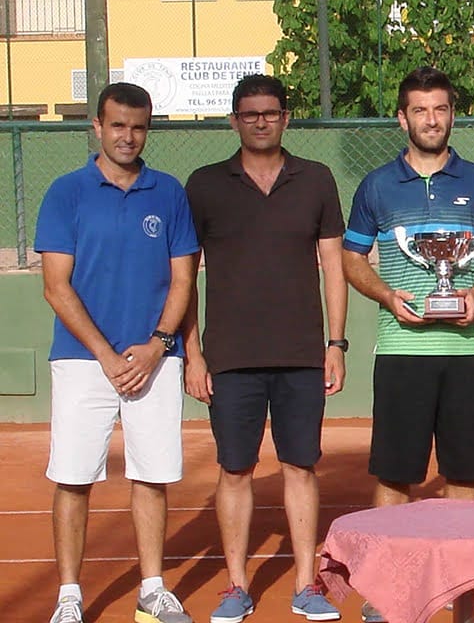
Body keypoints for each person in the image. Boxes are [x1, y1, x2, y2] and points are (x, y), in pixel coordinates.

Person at [343, 67, 474, 623]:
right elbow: (351, 257)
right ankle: (385, 584)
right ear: (402, 118)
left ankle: (467, 585)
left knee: (465, 475)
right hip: (400, 352)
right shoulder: (376, 186)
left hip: (466, 351)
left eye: (440, 109)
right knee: (396, 475)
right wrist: (389, 295)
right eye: (420, 110)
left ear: (452, 114)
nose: (431, 119)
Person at [183, 74, 347, 623]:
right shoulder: (203, 185)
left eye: (270, 113)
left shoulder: (317, 180)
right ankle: (236, 586)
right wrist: (193, 353)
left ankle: (306, 584)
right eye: (250, 113)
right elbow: (183, 277)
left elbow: (333, 268)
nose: (260, 121)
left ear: (285, 117)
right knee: (236, 470)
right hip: (229, 358)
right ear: (234, 120)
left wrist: (336, 343)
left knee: (301, 466)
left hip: (302, 355)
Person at [35, 82, 198, 623]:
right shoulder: (65, 192)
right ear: (97, 128)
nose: (128, 136)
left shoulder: (169, 192)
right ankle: (69, 597)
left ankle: (151, 589)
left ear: (148, 129)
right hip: (83, 362)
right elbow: (57, 286)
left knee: (151, 476)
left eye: (139, 126)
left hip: (155, 361)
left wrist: (157, 347)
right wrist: (107, 356)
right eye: (118, 125)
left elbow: (183, 279)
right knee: (74, 477)